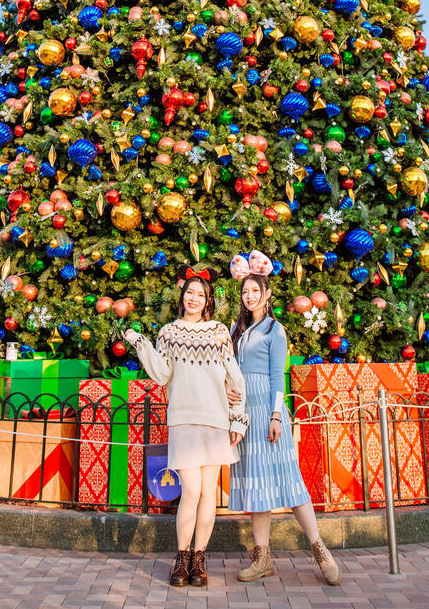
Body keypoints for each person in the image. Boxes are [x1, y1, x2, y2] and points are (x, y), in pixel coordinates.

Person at [124, 269, 248, 587]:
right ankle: (181, 559)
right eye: (190, 292)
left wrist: (238, 418)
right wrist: (140, 343)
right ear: (183, 296)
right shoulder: (169, 333)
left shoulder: (218, 332)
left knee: (208, 493)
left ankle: (199, 559)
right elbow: (163, 374)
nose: (194, 299)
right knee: (191, 491)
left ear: (208, 301)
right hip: (184, 420)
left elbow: (235, 378)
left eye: (200, 295)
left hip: (215, 419)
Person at [225, 252, 341, 585]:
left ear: (266, 294)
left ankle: (320, 549)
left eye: (255, 290)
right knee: (257, 485)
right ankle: (262, 557)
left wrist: (277, 415)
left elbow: (279, 376)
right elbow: (229, 369)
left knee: (290, 483)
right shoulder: (236, 329)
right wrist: (230, 392)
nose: (249, 296)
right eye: (245, 291)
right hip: (244, 414)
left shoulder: (275, 330)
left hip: (268, 412)